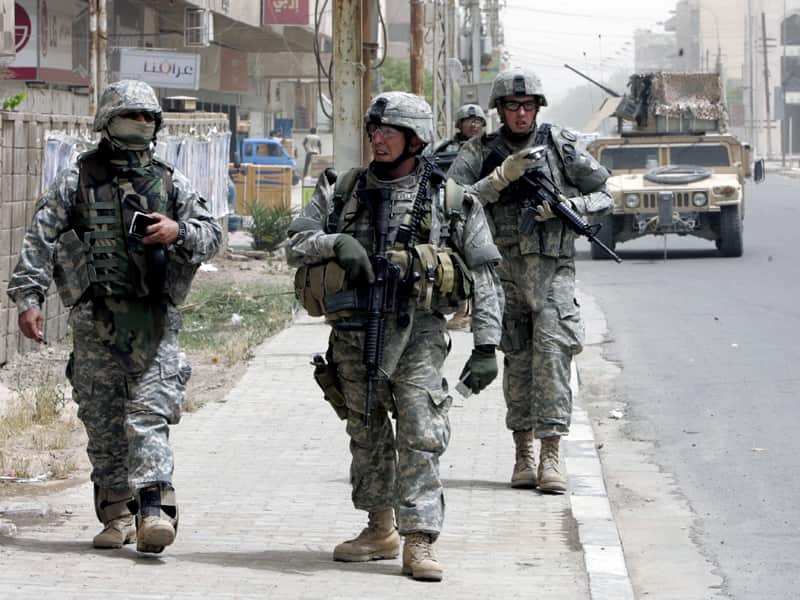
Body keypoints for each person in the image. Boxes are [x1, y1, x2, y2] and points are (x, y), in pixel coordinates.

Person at [286, 91, 503, 581]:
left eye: (390, 132)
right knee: (365, 432)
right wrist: (334, 242)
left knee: (420, 432)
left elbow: (485, 276)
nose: (378, 140)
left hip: (418, 333)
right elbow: (295, 244)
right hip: (353, 331)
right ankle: (378, 526)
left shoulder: (451, 199)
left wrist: (487, 346)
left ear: (416, 139)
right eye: (374, 130)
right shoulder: (341, 190)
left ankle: (420, 538)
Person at [6, 80, 222, 553]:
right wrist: (29, 299)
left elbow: (212, 235)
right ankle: (117, 513)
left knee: (147, 416)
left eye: (148, 117)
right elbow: (40, 239)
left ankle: (154, 511)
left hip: (155, 323)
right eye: (130, 116)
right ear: (107, 121)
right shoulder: (76, 180)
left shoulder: (171, 181)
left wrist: (176, 230)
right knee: (102, 422)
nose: (140, 125)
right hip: (95, 322)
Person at [448, 67, 613, 493]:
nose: (520, 114)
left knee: (553, 357)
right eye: (511, 106)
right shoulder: (478, 150)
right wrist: (500, 178)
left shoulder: (561, 145)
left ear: (537, 108)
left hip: (553, 271)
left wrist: (565, 205)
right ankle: (523, 453)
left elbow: (604, 194)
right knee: (517, 362)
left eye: (527, 106)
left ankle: (552, 454)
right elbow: (452, 201)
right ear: (499, 110)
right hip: (502, 273)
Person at [429, 103, 487, 332]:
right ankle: (463, 309)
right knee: (456, 256)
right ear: (459, 125)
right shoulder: (446, 149)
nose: (473, 126)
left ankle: (483, 313)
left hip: (485, 209)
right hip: (454, 209)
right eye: (468, 121)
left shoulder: (490, 147)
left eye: (478, 122)